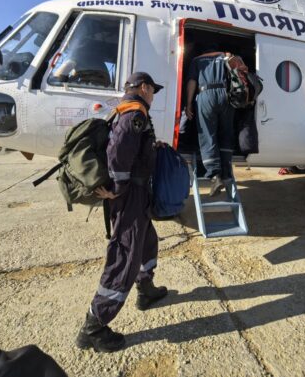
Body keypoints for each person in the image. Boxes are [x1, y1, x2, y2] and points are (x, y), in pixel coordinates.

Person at [76, 72, 168, 353]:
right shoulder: (135, 113)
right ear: (144, 87)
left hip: (137, 194)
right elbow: (117, 153)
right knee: (125, 255)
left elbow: (131, 148)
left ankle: (146, 289)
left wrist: (153, 148)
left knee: (147, 242)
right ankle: (94, 327)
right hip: (130, 195)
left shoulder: (129, 111)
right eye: (153, 90)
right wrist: (117, 188)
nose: (153, 96)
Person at [185, 46, 235, 196]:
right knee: (226, 133)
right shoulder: (225, 56)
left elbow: (192, 82)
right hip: (226, 95)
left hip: (206, 94)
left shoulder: (197, 60)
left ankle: (215, 176)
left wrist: (188, 104)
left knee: (207, 134)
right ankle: (226, 172)